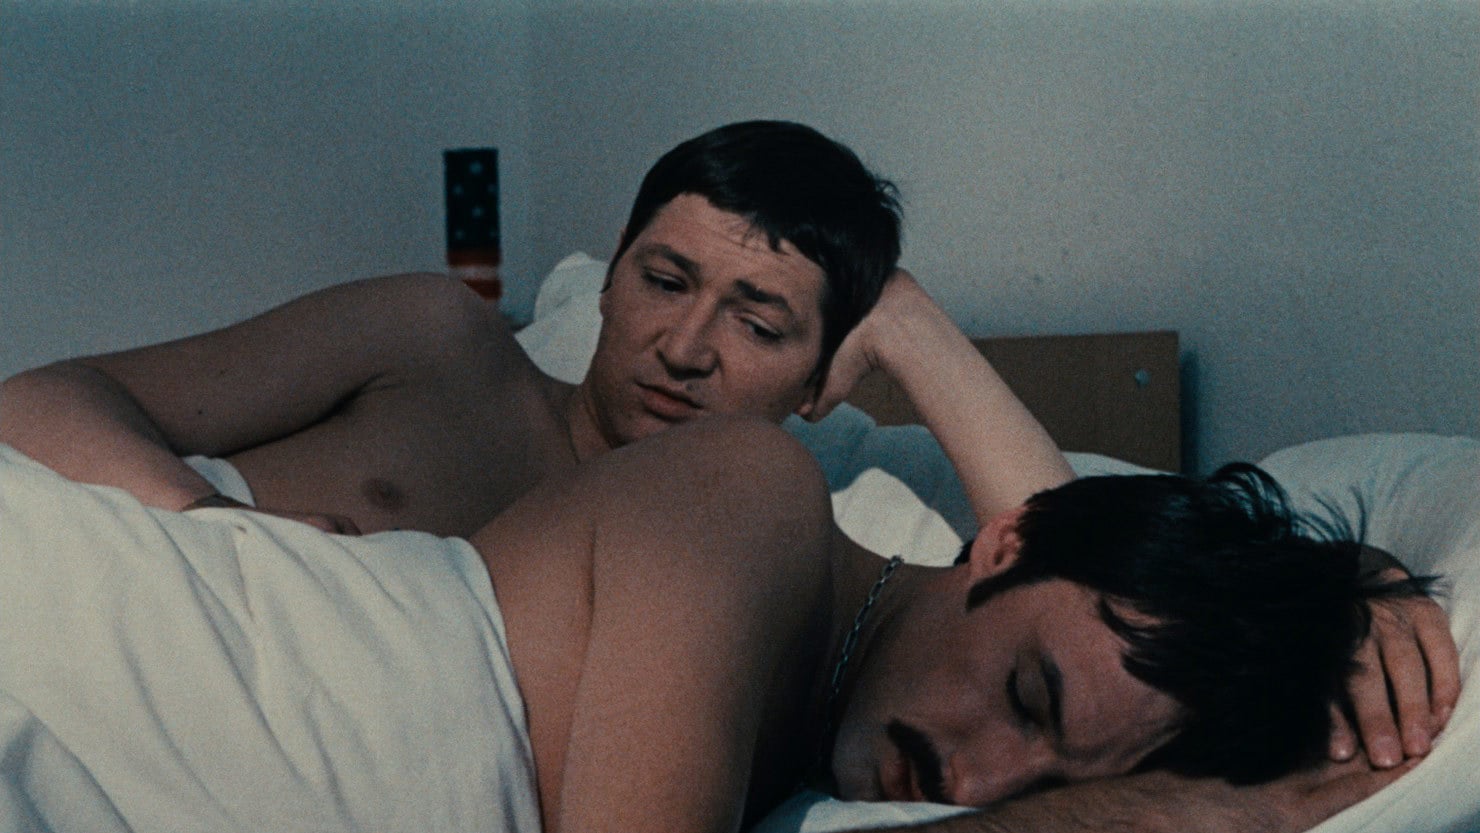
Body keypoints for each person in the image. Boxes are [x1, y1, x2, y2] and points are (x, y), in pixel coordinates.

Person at [0, 121, 1458, 827]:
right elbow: (1037, 575)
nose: (687, 349)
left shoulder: (797, 552)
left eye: (761, 323)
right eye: (662, 280)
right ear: (611, 276)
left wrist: (1358, 591)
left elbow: (1055, 567)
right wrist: (213, 536)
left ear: (825, 376)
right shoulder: (702, 479)